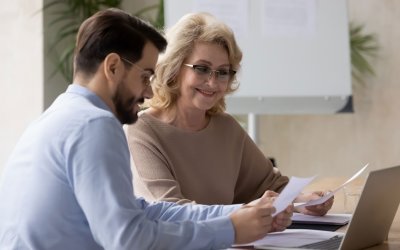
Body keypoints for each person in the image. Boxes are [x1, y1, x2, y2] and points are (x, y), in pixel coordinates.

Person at [0, 8, 294, 250]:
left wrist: (234, 215)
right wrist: (228, 231)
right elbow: (129, 240)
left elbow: (142, 211)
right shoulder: (95, 125)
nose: (150, 93)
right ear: (113, 67)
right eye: (145, 76)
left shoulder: (60, 115)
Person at [126, 12, 333, 215]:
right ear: (174, 68)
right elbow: (171, 212)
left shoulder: (226, 128)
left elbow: (269, 185)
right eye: (202, 69)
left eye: (223, 71)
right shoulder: (140, 131)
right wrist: (243, 214)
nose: (213, 82)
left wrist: (302, 201)